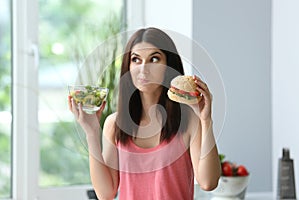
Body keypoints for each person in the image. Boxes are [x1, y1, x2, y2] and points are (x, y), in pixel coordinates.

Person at [68, 27, 221, 200]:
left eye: (154, 59)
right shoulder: (114, 123)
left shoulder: (189, 120)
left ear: (168, 65)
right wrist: (91, 132)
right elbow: (105, 193)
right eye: (136, 60)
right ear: (128, 66)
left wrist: (206, 120)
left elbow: (208, 182)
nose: (143, 68)